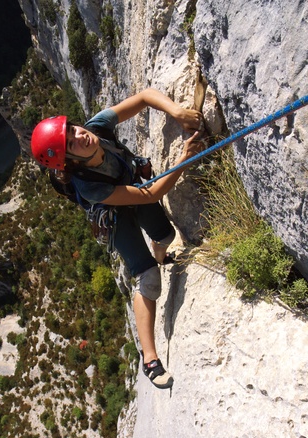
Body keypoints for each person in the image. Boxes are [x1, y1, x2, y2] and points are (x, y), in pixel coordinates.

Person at [31, 88, 204, 389]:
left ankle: (161, 254)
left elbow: (144, 97)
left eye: (73, 129)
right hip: (114, 217)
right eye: (71, 143)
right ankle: (150, 360)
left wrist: (176, 111)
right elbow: (152, 193)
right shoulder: (88, 186)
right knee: (147, 276)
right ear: (71, 162)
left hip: (131, 188)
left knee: (166, 234)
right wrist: (184, 158)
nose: (80, 136)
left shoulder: (96, 127)